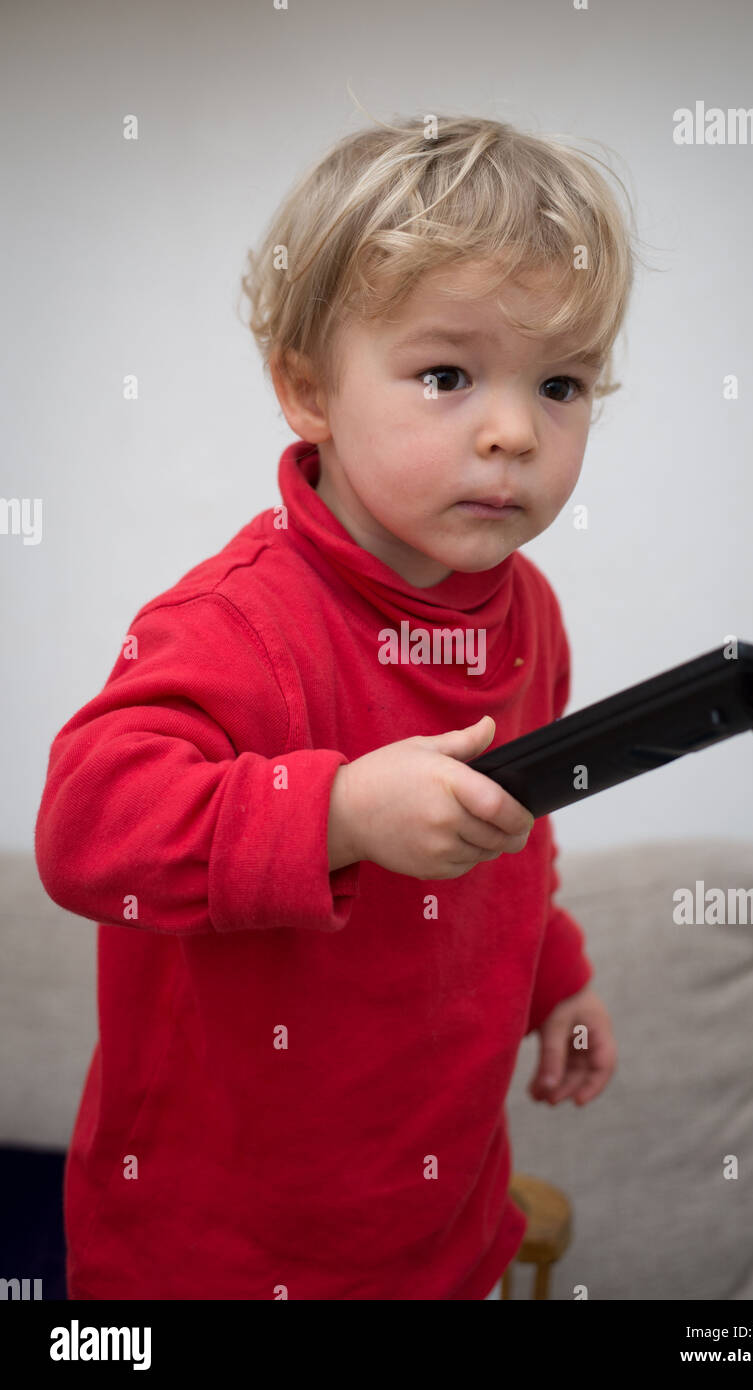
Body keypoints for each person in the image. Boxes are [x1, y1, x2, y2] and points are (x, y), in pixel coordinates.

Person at [35, 113, 634, 1300]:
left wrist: (556, 973)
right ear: (307, 389)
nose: (514, 429)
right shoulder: (240, 619)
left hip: (439, 1237)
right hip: (203, 1258)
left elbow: (514, 835)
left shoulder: (529, 617)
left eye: (559, 383)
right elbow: (85, 831)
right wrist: (340, 813)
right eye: (446, 375)